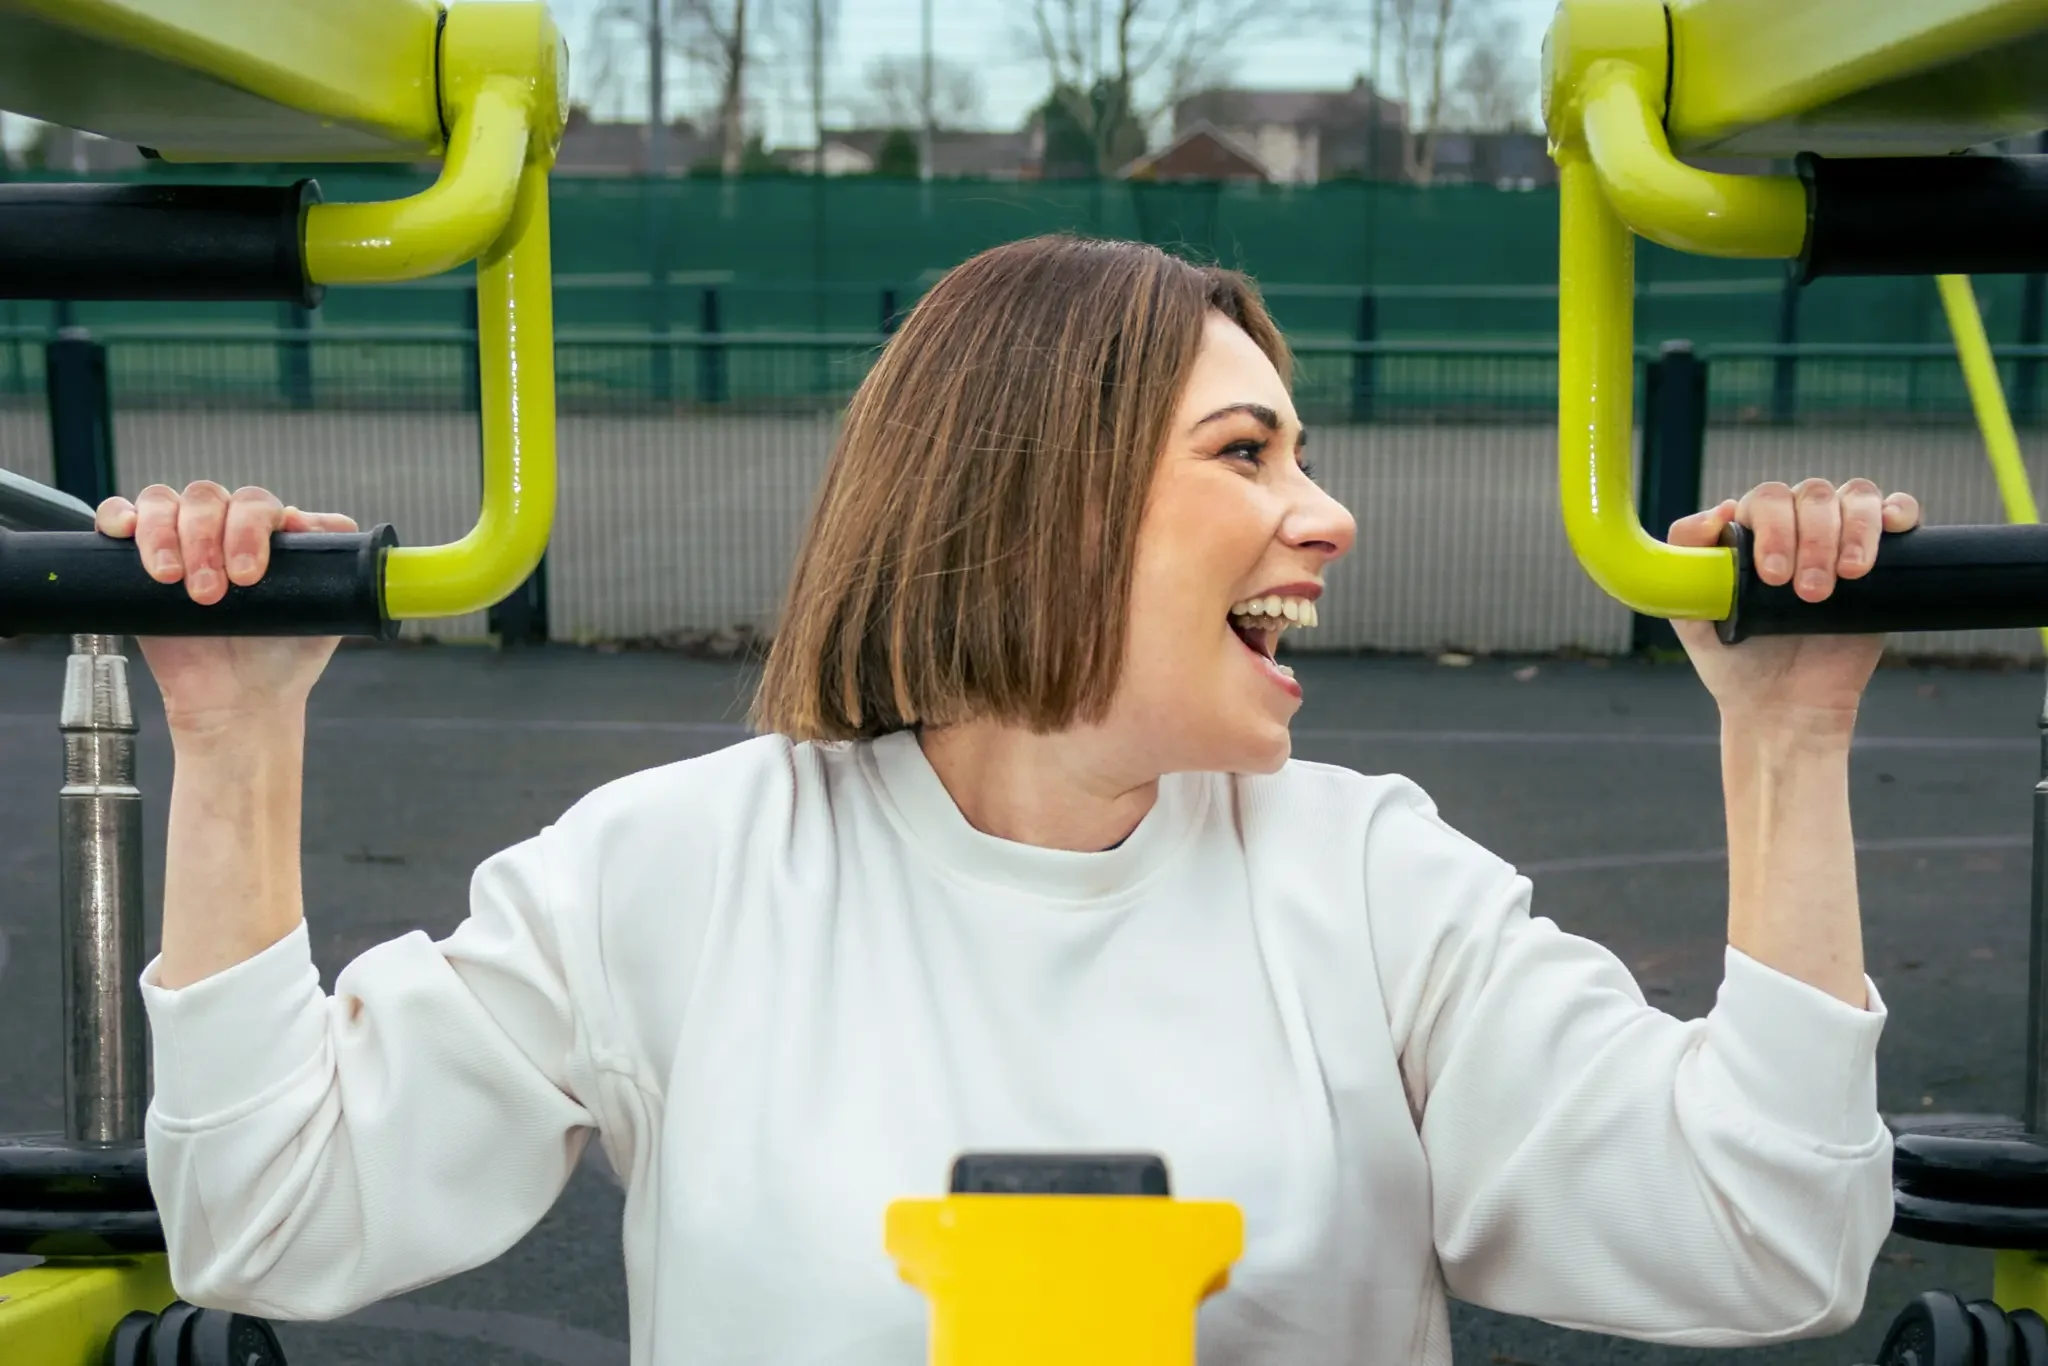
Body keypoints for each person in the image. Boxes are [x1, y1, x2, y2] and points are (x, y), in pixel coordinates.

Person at [120, 236, 1913, 1366]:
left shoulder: (1371, 882)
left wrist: (1790, 736)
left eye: (1303, 450)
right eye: (1247, 452)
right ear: (1040, 491)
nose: (1329, 513)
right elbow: (269, 1218)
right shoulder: (676, 869)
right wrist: (233, 730)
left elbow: (1767, 1237)